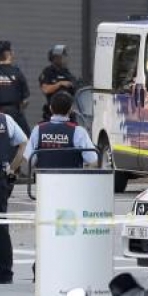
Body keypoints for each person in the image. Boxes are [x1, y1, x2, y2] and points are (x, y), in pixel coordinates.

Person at [18, 91, 98, 170]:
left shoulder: (38, 129)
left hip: (44, 181)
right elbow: (93, 160)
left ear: (51, 108)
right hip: (72, 181)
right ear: (70, 110)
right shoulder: (79, 131)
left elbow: (29, 161)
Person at [0, 112, 28, 284]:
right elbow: (23, 142)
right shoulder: (5, 119)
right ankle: (4, 274)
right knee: (1, 226)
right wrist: (11, 168)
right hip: (0, 178)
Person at [39, 45, 77, 122]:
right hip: (52, 112)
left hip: (67, 113)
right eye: (60, 56)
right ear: (54, 58)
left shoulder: (67, 73)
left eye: (63, 56)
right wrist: (59, 84)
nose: (63, 58)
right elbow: (45, 89)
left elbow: (74, 89)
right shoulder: (48, 72)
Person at [0, 41, 30, 135]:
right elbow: (25, 100)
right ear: (8, 53)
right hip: (14, 114)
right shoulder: (17, 72)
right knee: (26, 140)